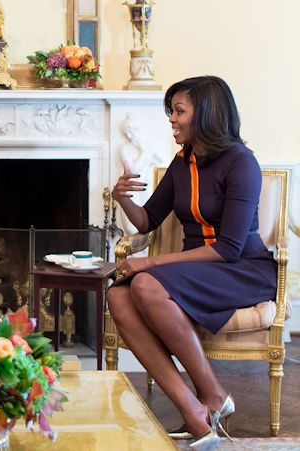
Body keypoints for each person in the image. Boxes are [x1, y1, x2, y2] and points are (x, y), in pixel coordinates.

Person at [107, 76, 277, 450]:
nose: (172, 118)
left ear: (207, 114)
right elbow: (147, 221)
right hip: (198, 269)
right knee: (118, 296)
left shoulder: (241, 163)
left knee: (145, 282)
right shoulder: (183, 161)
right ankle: (192, 411)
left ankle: (213, 396)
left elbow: (229, 248)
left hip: (242, 269)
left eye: (179, 111)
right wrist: (122, 197)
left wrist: (148, 265)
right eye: (171, 111)